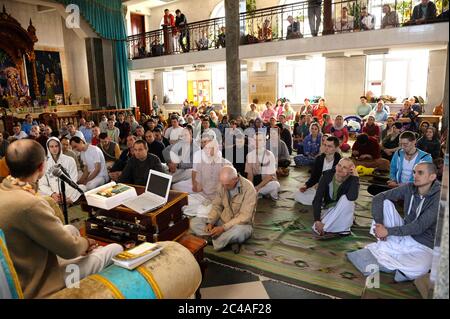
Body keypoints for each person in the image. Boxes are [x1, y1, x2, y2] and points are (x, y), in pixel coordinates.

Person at [0, 139, 122, 298]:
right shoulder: (29, 205)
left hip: (21, 260)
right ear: (42, 167)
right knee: (115, 248)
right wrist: (87, 243)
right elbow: (69, 250)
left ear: (8, 167)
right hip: (37, 283)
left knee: (71, 229)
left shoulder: (5, 188)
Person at [348, 162, 441, 282]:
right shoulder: (410, 187)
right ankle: (393, 258)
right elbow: (378, 198)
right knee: (385, 203)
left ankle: (385, 255)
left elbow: (420, 227)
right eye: (414, 172)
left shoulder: (438, 197)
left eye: (420, 173)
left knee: (421, 267)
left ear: (432, 177)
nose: (415, 176)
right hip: (403, 235)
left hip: (422, 245)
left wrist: (388, 231)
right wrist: (380, 224)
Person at [189, 166, 256, 253]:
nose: (224, 187)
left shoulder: (249, 189)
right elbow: (217, 206)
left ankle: (212, 240)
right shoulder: (222, 184)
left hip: (241, 225)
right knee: (194, 222)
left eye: (227, 185)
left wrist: (223, 228)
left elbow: (245, 216)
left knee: (239, 232)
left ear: (235, 179)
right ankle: (228, 241)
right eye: (222, 184)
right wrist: (210, 222)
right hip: (223, 221)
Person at [367, 131, 433, 195]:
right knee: (372, 187)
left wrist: (401, 185)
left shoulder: (425, 158)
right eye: (400, 144)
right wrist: (393, 180)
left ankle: (400, 196)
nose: (403, 147)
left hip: (414, 188)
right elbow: (393, 169)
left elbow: (423, 178)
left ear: (414, 142)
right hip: (398, 185)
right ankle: (398, 195)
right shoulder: (398, 153)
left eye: (405, 144)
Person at [312, 158, 359, 236]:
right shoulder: (327, 176)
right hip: (329, 209)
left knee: (345, 199)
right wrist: (317, 220)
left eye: (344, 167)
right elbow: (317, 199)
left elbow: (352, 197)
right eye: (339, 165)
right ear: (336, 166)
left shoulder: (352, 180)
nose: (340, 169)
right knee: (316, 226)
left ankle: (327, 228)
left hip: (343, 209)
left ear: (350, 171)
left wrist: (356, 177)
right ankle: (338, 228)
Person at [295, 136, 342, 206]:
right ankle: (323, 202)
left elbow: (340, 181)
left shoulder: (340, 162)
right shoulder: (319, 159)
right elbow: (314, 177)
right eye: (325, 145)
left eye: (330, 146)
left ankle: (324, 201)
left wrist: (323, 185)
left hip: (333, 190)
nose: (326, 148)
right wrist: (306, 186)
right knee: (297, 195)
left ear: (336, 148)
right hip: (318, 189)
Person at [39, 137, 84, 204]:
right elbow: (42, 184)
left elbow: (73, 180)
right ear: (48, 148)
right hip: (53, 191)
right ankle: (65, 200)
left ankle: (65, 200)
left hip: (68, 189)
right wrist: (52, 194)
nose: (54, 149)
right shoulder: (45, 163)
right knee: (39, 193)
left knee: (82, 187)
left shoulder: (70, 160)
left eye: (56, 146)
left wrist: (63, 193)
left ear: (60, 146)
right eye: (51, 146)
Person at [245, 132, 280, 200]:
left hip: (268, 182)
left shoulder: (270, 155)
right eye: (255, 140)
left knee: (275, 185)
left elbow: (269, 177)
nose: (257, 142)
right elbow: (250, 175)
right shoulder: (249, 155)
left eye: (260, 140)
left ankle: (258, 194)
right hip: (256, 182)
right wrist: (251, 188)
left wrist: (257, 188)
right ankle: (260, 194)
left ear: (264, 142)